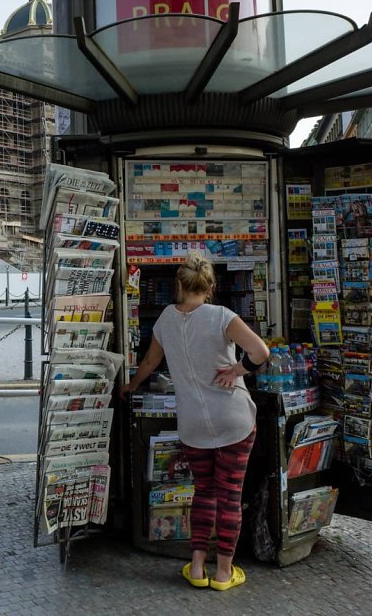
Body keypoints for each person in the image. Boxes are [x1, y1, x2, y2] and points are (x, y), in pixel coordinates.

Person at [120, 252, 269, 592]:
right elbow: (260, 352)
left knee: (203, 493)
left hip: (193, 427)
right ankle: (224, 574)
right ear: (211, 287)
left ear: (179, 284)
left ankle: (198, 567)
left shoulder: (165, 320)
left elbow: (148, 363)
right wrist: (238, 370)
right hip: (234, 421)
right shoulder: (222, 317)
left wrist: (130, 386)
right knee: (230, 496)